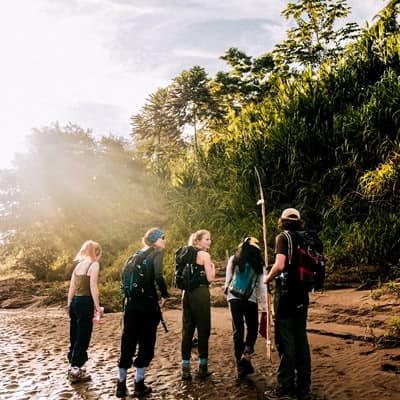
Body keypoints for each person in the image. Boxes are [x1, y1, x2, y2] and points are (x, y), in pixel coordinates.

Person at [264, 208, 312, 400]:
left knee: (286, 340)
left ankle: (285, 389)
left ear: (282, 221)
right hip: (302, 295)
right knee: (301, 338)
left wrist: (268, 278)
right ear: (299, 221)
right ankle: (303, 387)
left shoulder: (283, 237)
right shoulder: (305, 238)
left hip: (285, 295)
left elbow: (280, 264)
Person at [116, 228, 169, 398]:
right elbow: (159, 276)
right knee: (146, 342)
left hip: (130, 304)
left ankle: (121, 385)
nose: (165, 240)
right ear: (155, 240)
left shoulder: (136, 254)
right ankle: (139, 385)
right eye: (162, 237)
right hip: (147, 304)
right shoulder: (156, 253)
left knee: (128, 341)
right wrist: (165, 295)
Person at [224, 237, 266, 381]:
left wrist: (226, 293)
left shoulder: (233, 259)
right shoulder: (259, 264)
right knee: (253, 328)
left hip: (233, 297)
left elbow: (228, 278)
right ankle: (246, 354)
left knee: (238, 330)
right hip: (250, 299)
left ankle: (239, 365)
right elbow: (262, 286)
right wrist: (265, 307)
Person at [181, 229, 216, 380]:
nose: (209, 242)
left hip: (186, 294)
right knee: (203, 329)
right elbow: (210, 279)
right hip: (200, 294)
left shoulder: (185, 253)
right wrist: (213, 269)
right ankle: (202, 367)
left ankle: (185, 368)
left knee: (187, 330)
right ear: (198, 241)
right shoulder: (204, 255)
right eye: (207, 239)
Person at [67, 240, 103, 383]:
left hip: (75, 301)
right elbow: (93, 286)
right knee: (83, 335)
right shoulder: (94, 265)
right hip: (85, 302)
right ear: (97, 252)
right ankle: (76, 369)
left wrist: (68, 304)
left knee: (74, 334)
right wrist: (97, 306)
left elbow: (72, 287)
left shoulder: (78, 265)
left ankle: (72, 365)